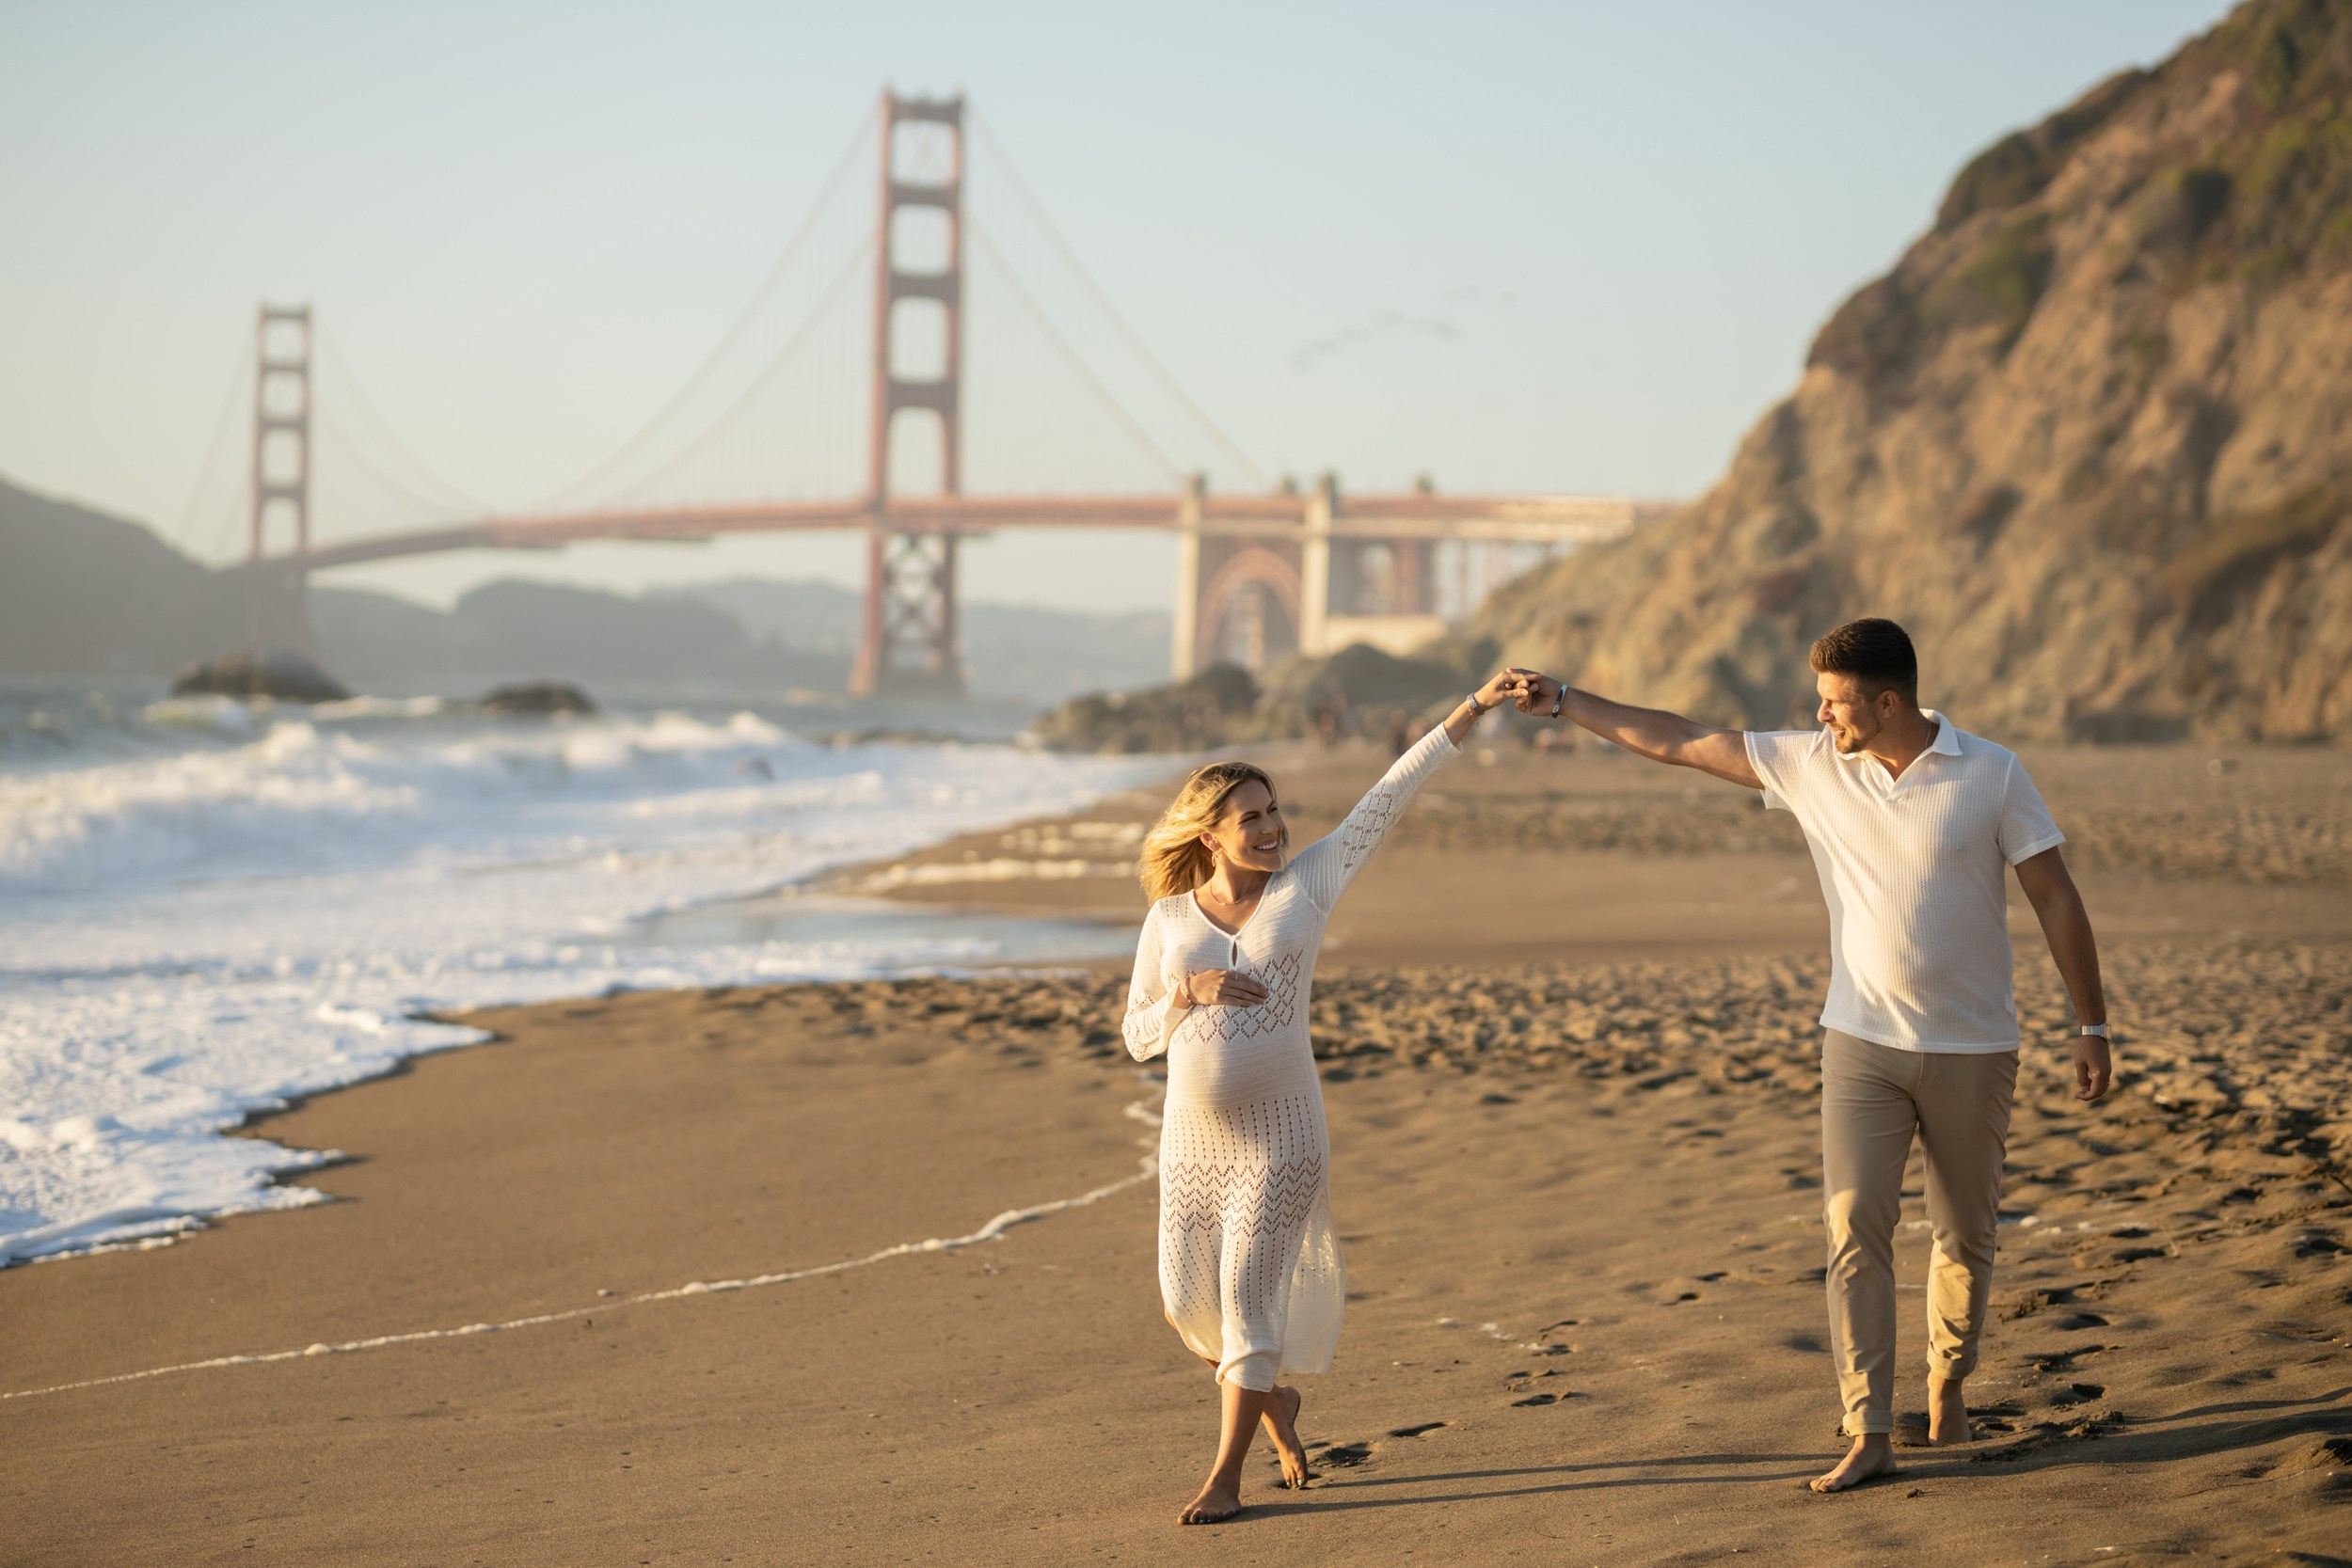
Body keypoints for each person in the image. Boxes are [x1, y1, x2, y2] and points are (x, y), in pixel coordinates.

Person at [1502, 619, 2111, 1494]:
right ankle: (1868, 1426)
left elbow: (2054, 894)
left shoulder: (1992, 772)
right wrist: (1565, 701)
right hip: (1860, 1042)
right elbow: (1679, 739)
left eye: (1834, 700)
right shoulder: (1813, 766)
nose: (1820, 715)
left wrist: (2091, 1024)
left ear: (1887, 701)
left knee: (1965, 1235)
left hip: (1974, 1046)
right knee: (1854, 1223)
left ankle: (1947, 1379)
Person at [1122, 671, 1522, 1525]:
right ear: (1211, 832)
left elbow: (1390, 792)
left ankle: (1226, 1479)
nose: (1272, 829)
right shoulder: (1169, 918)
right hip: (1192, 1145)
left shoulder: (1309, 883)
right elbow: (1137, 1034)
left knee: (1243, 1301)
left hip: (1283, 1135)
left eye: (1275, 813)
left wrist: (1474, 708)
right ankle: (1278, 1405)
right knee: (1184, 1304)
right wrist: (1186, 991)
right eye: (1251, 819)